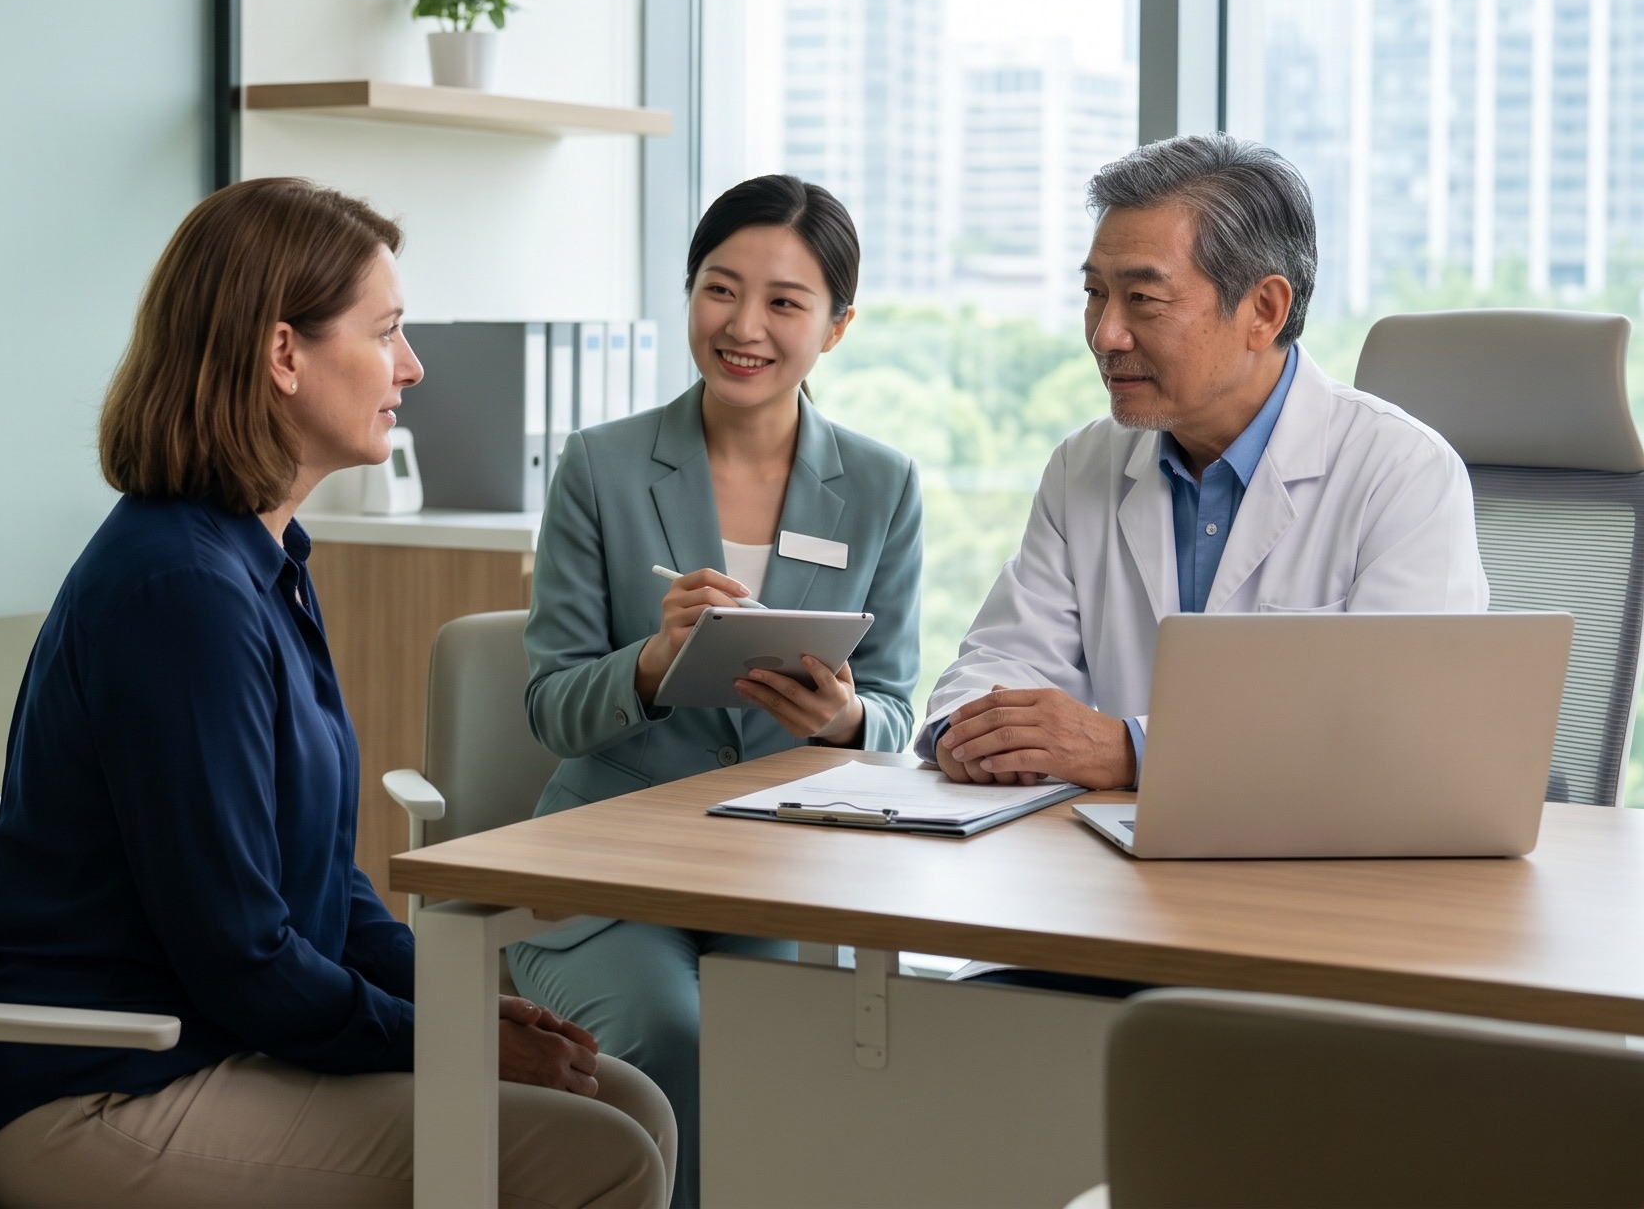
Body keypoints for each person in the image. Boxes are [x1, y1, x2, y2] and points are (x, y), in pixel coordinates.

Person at [0, 177, 676, 1209]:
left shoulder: (262, 558)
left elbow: (321, 897)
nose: (411, 369)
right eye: (385, 334)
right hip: (102, 1090)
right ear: (283, 354)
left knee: (626, 1101)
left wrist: (461, 1005)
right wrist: (452, 1042)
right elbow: (243, 953)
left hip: (204, 1044)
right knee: (600, 1151)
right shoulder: (180, 592)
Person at [513, 173, 924, 1209]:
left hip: (785, 867)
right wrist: (650, 667)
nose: (743, 326)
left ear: (835, 327)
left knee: (830, 1044)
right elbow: (549, 702)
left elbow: (898, 711)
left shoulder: (881, 485)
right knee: (674, 1035)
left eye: (785, 302)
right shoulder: (601, 469)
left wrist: (845, 723)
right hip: (610, 865)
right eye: (718, 289)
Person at [926, 131, 1487, 794]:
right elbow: (1001, 658)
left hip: (1311, 874)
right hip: (1109, 867)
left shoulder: (1401, 472)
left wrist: (1134, 751)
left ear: (1264, 310)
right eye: (1095, 294)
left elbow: (1401, 731)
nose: (1106, 335)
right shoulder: (1085, 465)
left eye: (1143, 300)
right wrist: (970, 732)